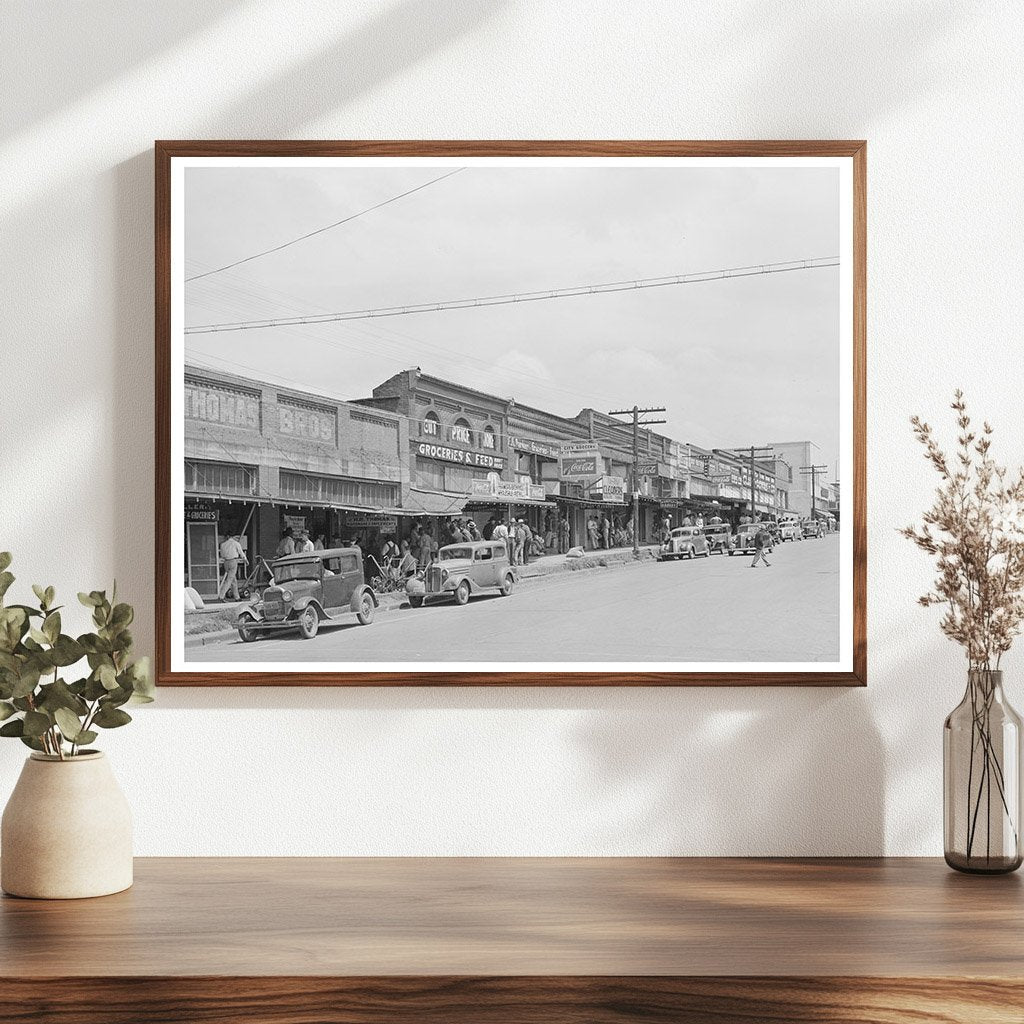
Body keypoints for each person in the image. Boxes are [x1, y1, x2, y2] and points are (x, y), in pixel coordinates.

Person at [217, 532, 247, 601]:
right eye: (236, 537)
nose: (237, 539)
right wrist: (245, 560)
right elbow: (241, 552)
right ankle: (221, 595)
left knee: (233, 580)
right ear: (232, 537)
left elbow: (222, 554)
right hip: (233, 561)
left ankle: (237, 597)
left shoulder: (223, 544)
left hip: (225, 562)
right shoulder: (236, 543)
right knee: (229, 580)